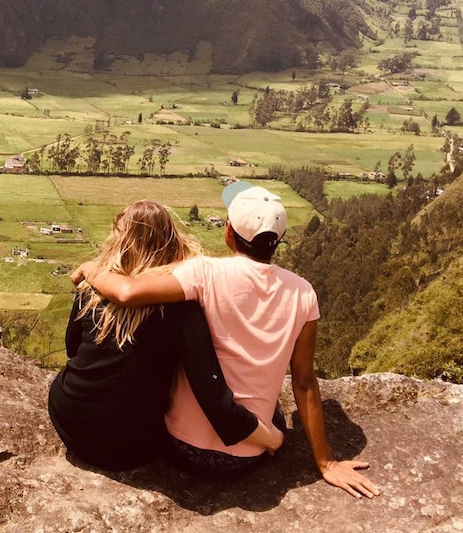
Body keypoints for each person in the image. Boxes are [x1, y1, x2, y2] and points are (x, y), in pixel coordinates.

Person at [76, 182, 381, 498]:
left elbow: (128, 293)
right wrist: (326, 462)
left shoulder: (203, 273)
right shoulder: (303, 292)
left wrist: (90, 269)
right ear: (278, 241)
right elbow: (304, 382)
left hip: (179, 447)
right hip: (246, 458)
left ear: (229, 232)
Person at [48, 200, 284, 471]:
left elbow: (72, 348)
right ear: (171, 243)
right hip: (133, 446)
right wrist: (272, 437)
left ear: (118, 241)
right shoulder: (183, 311)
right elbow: (210, 390)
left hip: (70, 420)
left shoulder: (92, 292)